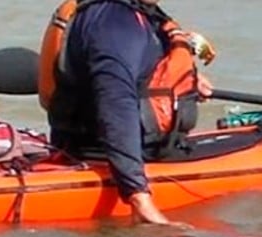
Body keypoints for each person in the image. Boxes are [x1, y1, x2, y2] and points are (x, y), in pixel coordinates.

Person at [38, 0, 216, 225]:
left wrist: (184, 83)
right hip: (110, 157)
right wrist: (138, 195)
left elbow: (131, 68)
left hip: (96, 149)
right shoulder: (114, 22)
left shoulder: (127, 12)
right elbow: (116, 102)